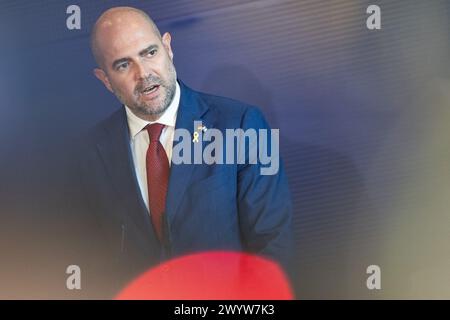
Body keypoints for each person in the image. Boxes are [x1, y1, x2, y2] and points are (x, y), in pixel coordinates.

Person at [65, 6, 293, 298]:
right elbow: (86, 261)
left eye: (149, 53)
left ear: (168, 48)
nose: (143, 73)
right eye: (123, 65)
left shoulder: (242, 125)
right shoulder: (88, 155)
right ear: (105, 79)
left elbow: (272, 248)